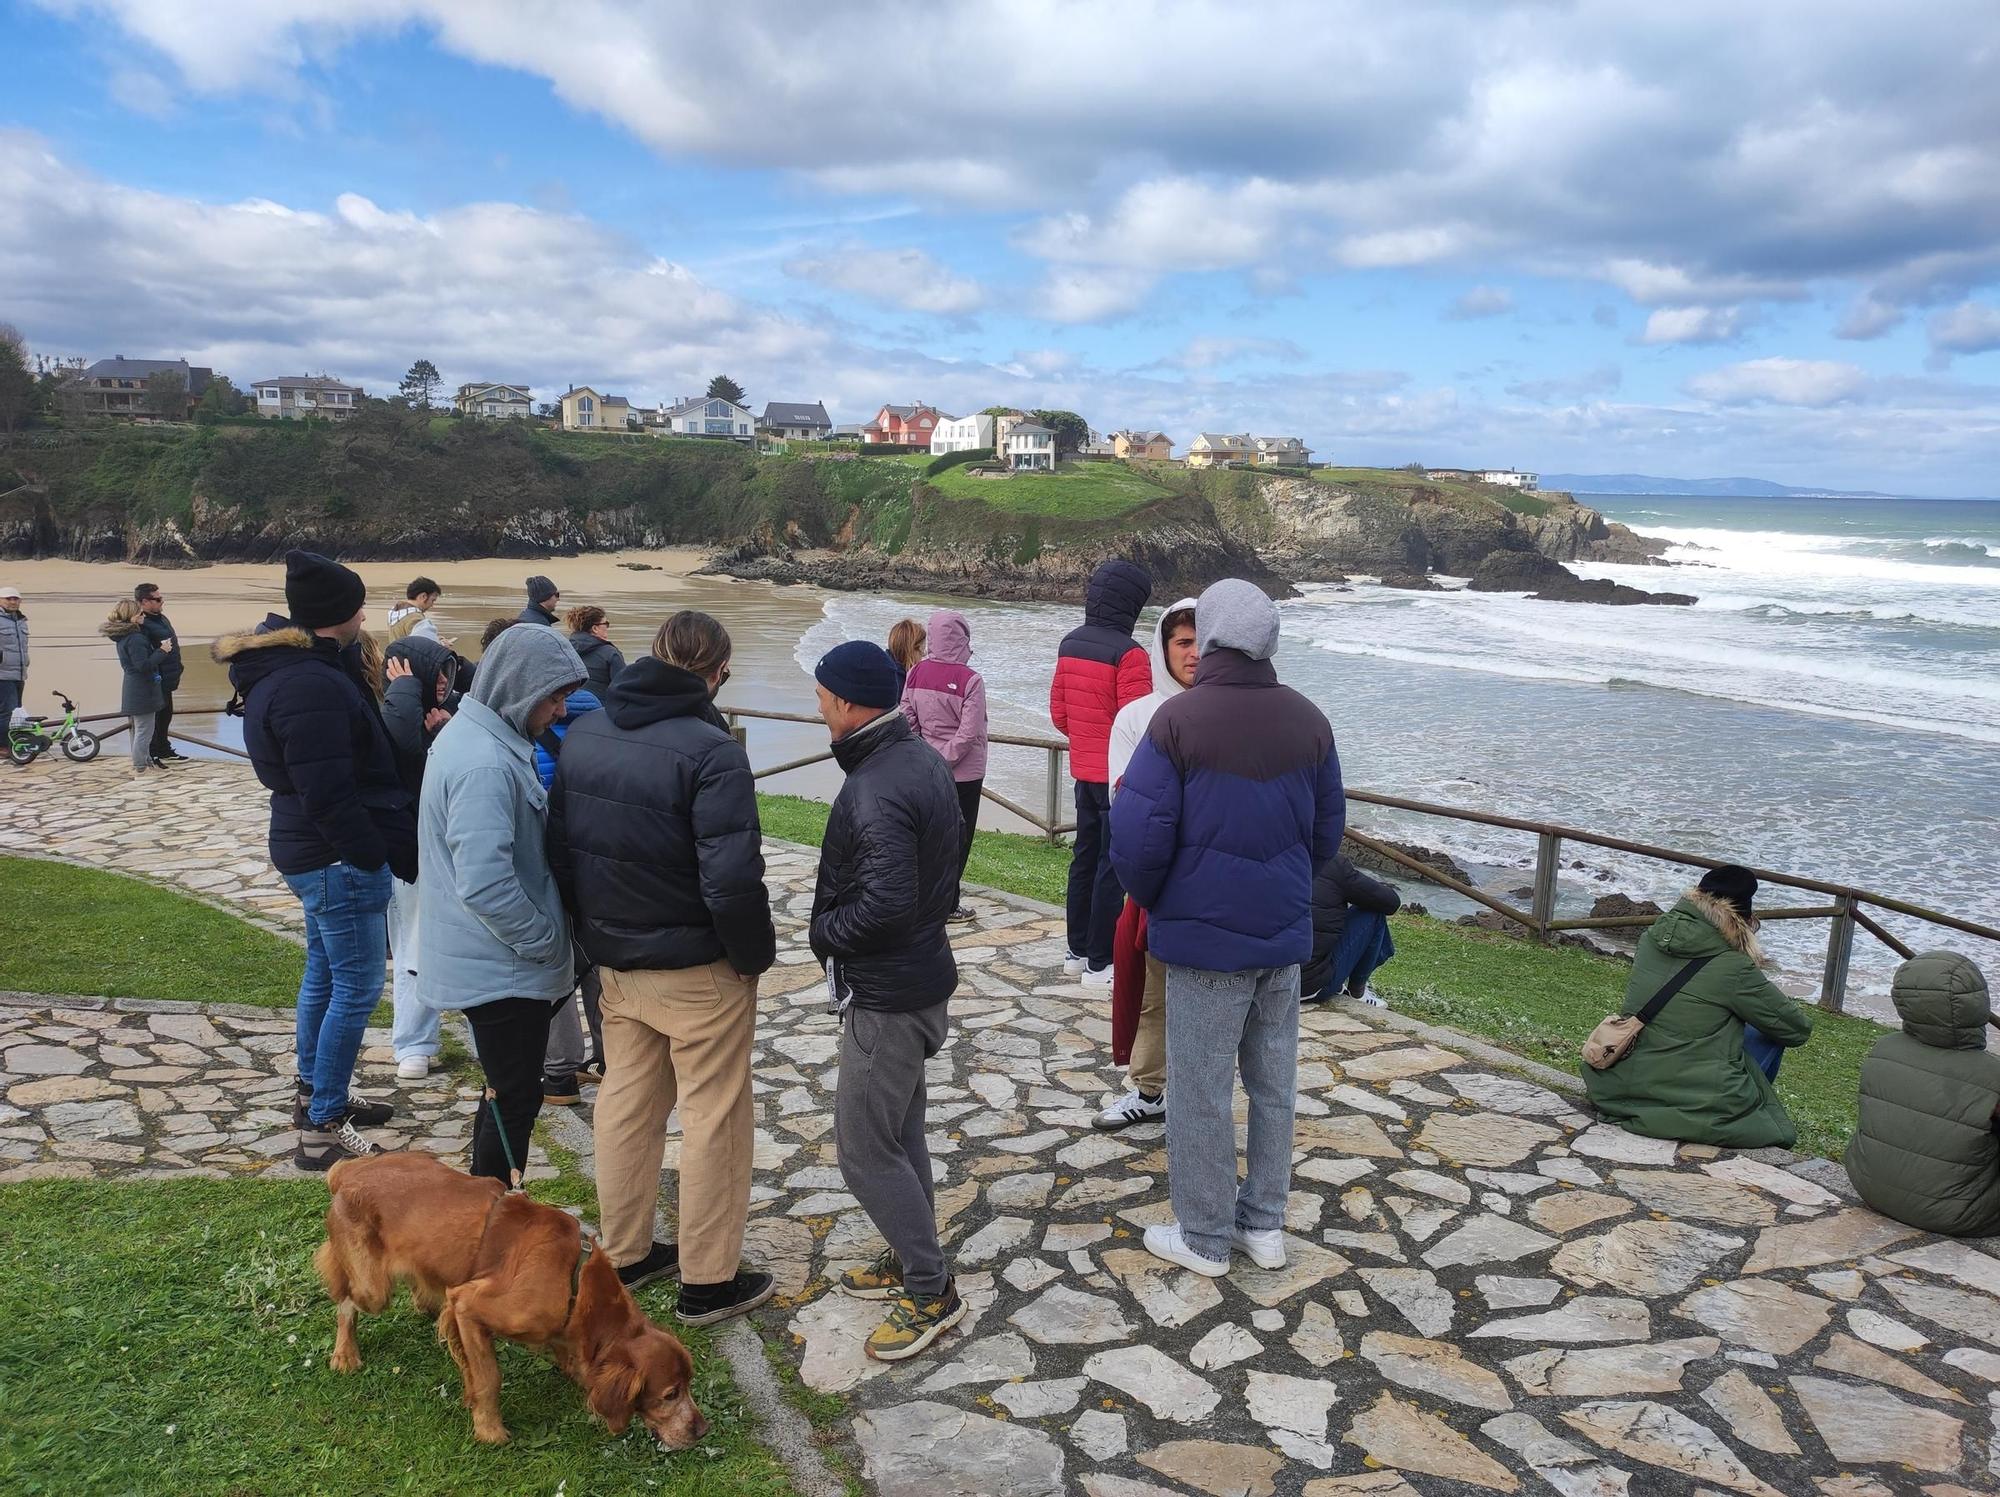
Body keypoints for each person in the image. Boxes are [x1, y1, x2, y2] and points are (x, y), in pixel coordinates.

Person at [549, 610, 779, 1323]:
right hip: (696, 965)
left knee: (627, 1100)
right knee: (714, 1114)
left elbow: (560, 846)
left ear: (652, 654)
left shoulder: (586, 730)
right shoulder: (713, 751)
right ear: (718, 673)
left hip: (616, 958)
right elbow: (732, 882)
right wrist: (753, 957)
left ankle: (623, 1248)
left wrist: (591, 933)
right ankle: (708, 1279)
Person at [1110, 578, 1343, 1278]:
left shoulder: (1179, 721)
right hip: (1281, 937)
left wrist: (1163, 900)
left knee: (1200, 1088)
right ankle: (1264, 1224)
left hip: (1205, 941)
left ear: (1208, 634)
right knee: (1272, 1084)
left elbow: (1137, 839)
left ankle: (1207, 1235)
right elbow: (1327, 835)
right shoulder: (1309, 720)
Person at [215, 551, 416, 1170]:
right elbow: (326, 790)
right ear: (339, 614)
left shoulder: (297, 669)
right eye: (358, 603)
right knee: (355, 987)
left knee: (325, 975)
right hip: (333, 855)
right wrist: (368, 855)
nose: (364, 612)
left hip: (312, 847)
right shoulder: (309, 683)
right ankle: (322, 1125)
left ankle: (315, 1094)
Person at [811, 641, 965, 1362]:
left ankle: (932, 1290)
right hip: (921, 977)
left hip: (890, 992)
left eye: (821, 696)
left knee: (863, 1148)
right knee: (901, 1133)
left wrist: (825, 932)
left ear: (843, 702)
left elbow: (888, 902)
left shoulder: (874, 782)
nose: (819, 706)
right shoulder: (920, 757)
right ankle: (911, 1255)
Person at [414, 624, 586, 1186]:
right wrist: (544, 942)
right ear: (519, 686)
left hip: (493, 958)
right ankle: (489, 1217)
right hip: (502, 966)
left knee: (504, 1092)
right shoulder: (484, 762)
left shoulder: (481, 737)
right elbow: (484, 882)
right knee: (514, 1098)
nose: (560, 711)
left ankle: (484, 1204)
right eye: (554, 696)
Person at [1581, 865, 1815, 1148]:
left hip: (1621, 1080)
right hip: (1688, 1096)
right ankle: (1747, 1103)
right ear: (1741, 919)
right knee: (1767, 1033)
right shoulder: (1733, 966)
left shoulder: (1651, 940)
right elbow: (1796, 1029)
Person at [1095, 596, 1196, 1131]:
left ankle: (1199, 1092)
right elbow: (1124, 798)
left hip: (1210, 880)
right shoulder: (1137, 716)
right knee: (1153, 990)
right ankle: (1151, 1087)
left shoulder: (1225, 711)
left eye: (1205, 641)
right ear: (1163, 647)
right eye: (1183, 641)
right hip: (1158, 878)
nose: (1195, 653)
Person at [1845, 952, 2000, 1237]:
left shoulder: (1883, 1050)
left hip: (1869, 1187)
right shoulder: (1993, 1074)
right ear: (1978, 1002)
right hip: (1959, 1213)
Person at [1050, 559, 1153, 987]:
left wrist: (1086, 740)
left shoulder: (1069, 643)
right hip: (1117, 779)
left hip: (1083, 771)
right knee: (1112, 868)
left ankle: (1076, 950)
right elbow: (1140, 724)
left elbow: (1059, 714)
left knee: (1084, 859)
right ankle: (1099, 962)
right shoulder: (1130, 654)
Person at [379, 633, 461, 1079]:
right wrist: (405, 693)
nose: (445, 683)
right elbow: (401, 746)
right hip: (410, 851)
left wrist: (445, 730)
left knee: (469, 944)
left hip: (454, 847)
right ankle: (413, 1042)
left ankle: (481, 1034)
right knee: (412, 945)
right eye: (439, 674)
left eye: (448, 673)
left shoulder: (456, 711)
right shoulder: (388, 711)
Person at [530, 681, 604, 1107]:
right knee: (596, 965)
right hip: (591, 867)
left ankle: (559, 1072)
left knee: (557, 968)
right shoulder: (598, 728)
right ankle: (610, 1058)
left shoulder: (525, 727)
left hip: (545, 865)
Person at [900, 609, 988, 915]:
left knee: (929, 835)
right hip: (964, 773)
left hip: (925, 768)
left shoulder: (915, 673)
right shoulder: (971, 680)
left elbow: (907, 719)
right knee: (959, 838)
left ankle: (926, 897)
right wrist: (946, 757)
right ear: (962, 639)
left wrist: (926, 755)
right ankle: (948, 903)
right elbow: (969, 731)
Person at [1301, 855, 1401, 1006]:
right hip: (1306, 986)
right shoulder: (1332, 864)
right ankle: (1357, 991)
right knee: (1373, 913)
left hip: (1263, 976)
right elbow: (1391, 903)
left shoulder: (1270, 856)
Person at [102, 598, 172, 780]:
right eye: (140, 614)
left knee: (141, 729)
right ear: (133, 617)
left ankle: (145, 762)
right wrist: (162, 651)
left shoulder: (126, 636)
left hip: (135, 687)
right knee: (144, 730)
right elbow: (143, 665)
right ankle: (140, 767)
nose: (143, 616)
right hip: (141, 689)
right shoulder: (135, 638)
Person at [133, 583, 188, 767]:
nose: (161, 601)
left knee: (166, 716)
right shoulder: (140, 625)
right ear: (144, 602)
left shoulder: (161, 618)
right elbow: (143, 655)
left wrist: (178, 668)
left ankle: (164, 749)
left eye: (161, 597)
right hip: (156, 679)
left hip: (170, 677)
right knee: (154, 720)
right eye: (157, 599)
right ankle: (153, 753)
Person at [566, 605, 626, 694]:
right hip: (602, 705)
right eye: (606, 624)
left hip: (568, 705)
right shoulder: (610, 654)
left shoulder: (564, 650)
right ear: (595, 629)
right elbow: (624, 688)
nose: (607, 627)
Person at [0, 586, 27, 725]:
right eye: (8, 598)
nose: (12, 602)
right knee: (6, 711)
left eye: (15, 598)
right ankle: (3, 746)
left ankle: (13, 743)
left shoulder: (21, 621)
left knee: (16, 711)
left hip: (19, 674)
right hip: (2, 674)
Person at [385, 576, 442, 642]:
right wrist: (442, 644)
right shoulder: (415, 618)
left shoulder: (396, 611)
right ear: (423, 596)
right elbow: (424, 645)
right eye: (433, 600)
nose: (432, 605)